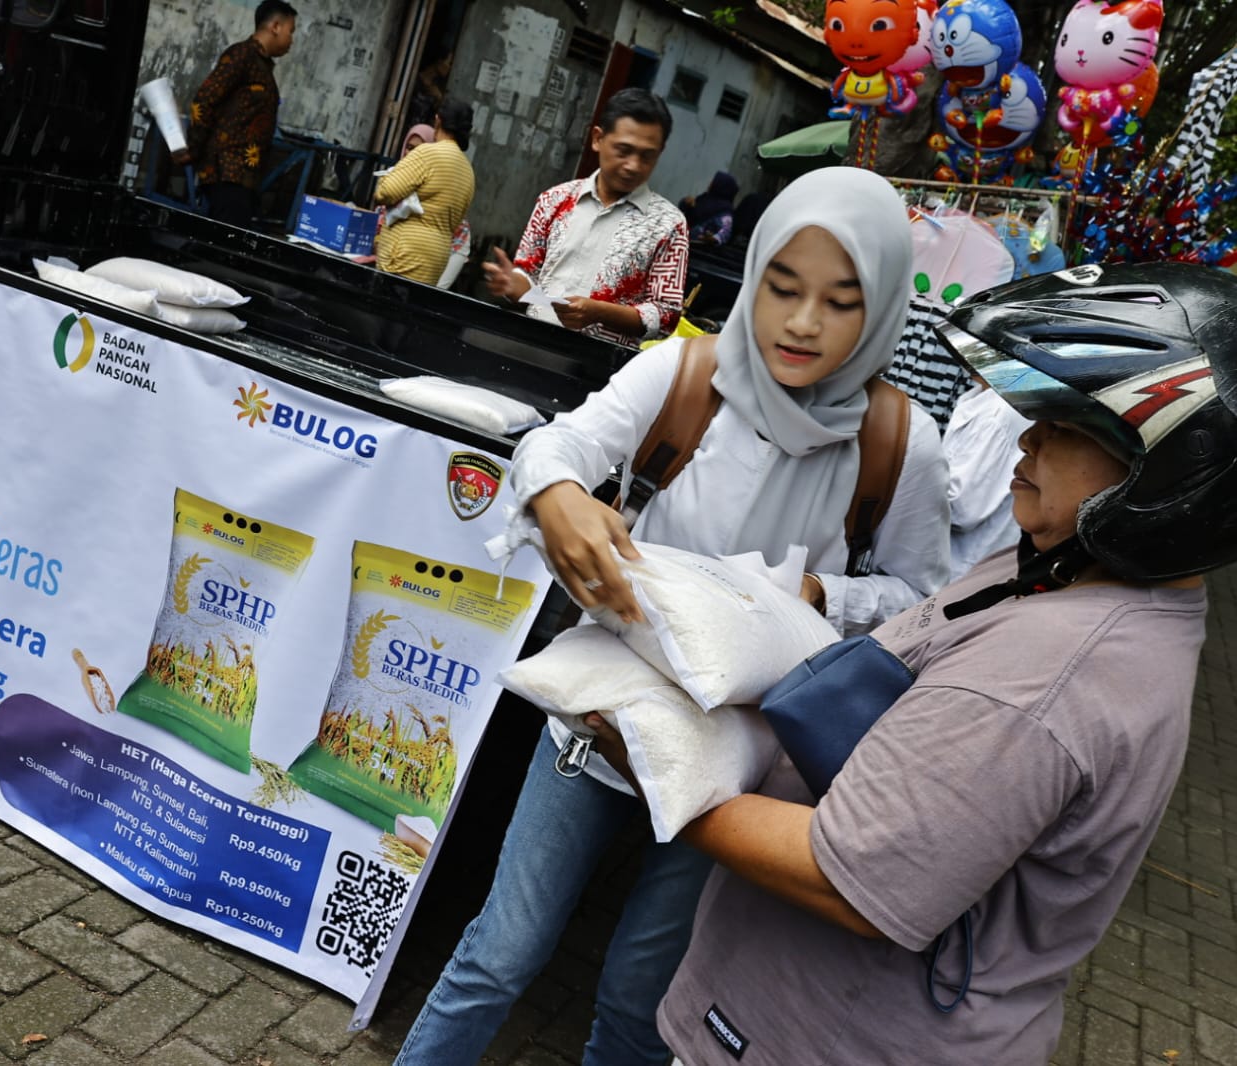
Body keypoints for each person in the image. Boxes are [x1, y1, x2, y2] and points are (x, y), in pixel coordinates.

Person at [395, 167, 951, 1066]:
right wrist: (559, 493)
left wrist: (823, 596)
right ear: (753, 275)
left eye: (841, 301)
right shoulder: (687, 372)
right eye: (781, 286)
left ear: (882, 308)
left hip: (742, 759)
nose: (802, 323)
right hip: (603, 713)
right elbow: (559, 442)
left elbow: (924, 603)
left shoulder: (898, 444)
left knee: (639, 1000)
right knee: (501, 951)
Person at [635, 260, 1235, 1064]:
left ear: (1172, 474)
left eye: (1067, 427)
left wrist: (657, 759)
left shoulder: (1046, 676)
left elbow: (845, 880)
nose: (1026, 439)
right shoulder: (1054, 565)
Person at [481, 89, 689, 349]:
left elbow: (666, 314)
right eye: (623, 151)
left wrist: (599, 312)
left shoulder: (669, 224)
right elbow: (528, 274)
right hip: (529, 343)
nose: (633, 165)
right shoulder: (554, 200)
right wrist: (513, 283)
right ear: (597, 139)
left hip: (600, 362)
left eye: (647, 156)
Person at [177, 0, 297, 228]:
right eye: (291, 31)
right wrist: (193, 148)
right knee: (220, 239)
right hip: (227, 172)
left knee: (224, 238)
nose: (292, 40)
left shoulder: (263, 66)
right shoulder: (242, 55)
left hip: (243, 177)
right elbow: (205, 100)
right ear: (275, 26)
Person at [374, 98, 476, 286]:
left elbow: (385, 193)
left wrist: (387, 177)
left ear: (438, 120)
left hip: (405, 253)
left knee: (389, 300)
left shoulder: (427, 153)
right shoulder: (467, 171)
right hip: (436, 258)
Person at [944, 374, 1031, 579]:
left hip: (961, 564)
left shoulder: (997, 413)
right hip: (962, 562)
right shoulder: (984, 400)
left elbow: (962, 510)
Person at [680, 171, 738, 246]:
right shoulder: (704, 198)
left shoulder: (725, 211)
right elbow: (687, 212)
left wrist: (713, 238)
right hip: (682, 238)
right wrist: (686, 203)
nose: (710, 183)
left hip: (697, 247)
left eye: (714, 181)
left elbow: (725, 232)